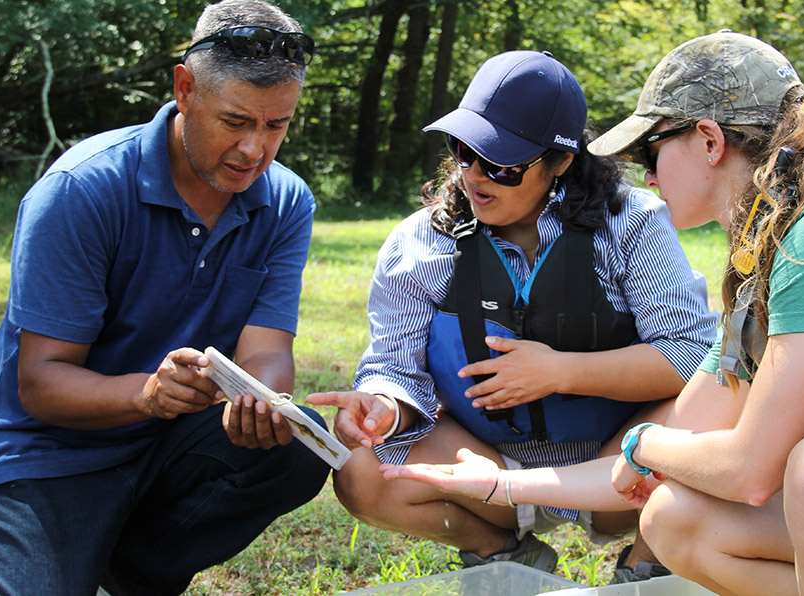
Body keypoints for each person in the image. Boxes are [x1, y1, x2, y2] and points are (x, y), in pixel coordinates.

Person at [379, 31, 804, 595]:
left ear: (709, 141)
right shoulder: (772, 253)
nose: (646, 178)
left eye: (653, 151)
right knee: (678, 519)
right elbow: (669, 456)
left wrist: (642, 446)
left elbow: (749, 468)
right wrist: (498, 483)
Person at [0, 2, 331, 594]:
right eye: (235, 121)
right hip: (44, 454)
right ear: (185, 89)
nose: (255, 150)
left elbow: (268, 349)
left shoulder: (285, 201)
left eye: (276, 125)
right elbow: (42, 382)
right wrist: (150, 393)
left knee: (296, 445)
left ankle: (125, 578)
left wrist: (265, 400)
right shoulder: (82, 190)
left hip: (167, 444)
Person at [306, 50, 717, 582]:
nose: (476, 175)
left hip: (616, 471)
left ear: (561, 161)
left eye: (501, 163)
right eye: (464, 150)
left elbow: (692, 355)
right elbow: (393, 368)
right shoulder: (418, 240)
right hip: (485, 469)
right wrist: (385, 406)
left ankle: (642, 569)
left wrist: (562, 371)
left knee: (712, 425)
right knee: (362, 469)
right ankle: (502, 554)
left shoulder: (630, 221)